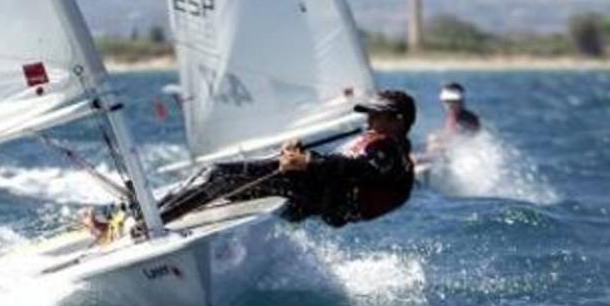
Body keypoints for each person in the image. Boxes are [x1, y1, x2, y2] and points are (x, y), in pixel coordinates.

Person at [156, 89, 416, 228]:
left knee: (218, 176)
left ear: (398, 121)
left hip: (312, 196)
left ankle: (155, 220)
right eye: (369, 114)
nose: (369, 119)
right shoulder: (382, 144)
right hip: (311, 192)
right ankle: (161, 210)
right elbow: (342, 164)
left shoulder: (390, 152)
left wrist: (307, 162)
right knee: (216, 174)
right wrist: (301, 152)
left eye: (377, 115)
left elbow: (356, 169)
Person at [415, 82, 482, 166]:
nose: (449, 105)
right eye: (446, 101)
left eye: (453, 101)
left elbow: (461, 145)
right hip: (451, 154)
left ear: (461, 101)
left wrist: (436, 146)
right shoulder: (454, 116)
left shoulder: (467, 119)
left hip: (460, 158)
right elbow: (451, 137)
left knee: (433, 145)